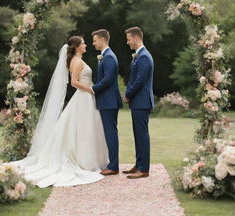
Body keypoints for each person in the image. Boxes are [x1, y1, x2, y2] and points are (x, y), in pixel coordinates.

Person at [12, 36, 109, 188]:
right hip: (84, 96)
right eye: (83, 44)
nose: (86, 46)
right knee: (84, 128)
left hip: (86, 98)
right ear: (76, 47)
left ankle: (91, 159)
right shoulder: (76, 61)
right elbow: (74, 82)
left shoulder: (77, 60)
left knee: (87, 128)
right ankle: (85, 160)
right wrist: (90, 89)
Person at [122, 27, 154, 179]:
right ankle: (138, 164)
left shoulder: (144, 57)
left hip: (141, 102)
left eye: (128, 39)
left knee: (142, 135)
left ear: (136, 38)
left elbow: (139, 82)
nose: (127, 42)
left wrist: (127, 95)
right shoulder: (139, 56)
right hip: (138, 102)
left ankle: (144, 169)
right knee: (137, 134)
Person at [91, 29, 123, 175]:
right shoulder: (105, 56)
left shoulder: (109, 57)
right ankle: (112, 163)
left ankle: (114, 166)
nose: (93, 43)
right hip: (106, 101)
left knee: (111, 133)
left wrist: (93, 88)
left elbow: (108, 79)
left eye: (95, 40)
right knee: (110, 132)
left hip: (109, 101)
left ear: (103, 40)